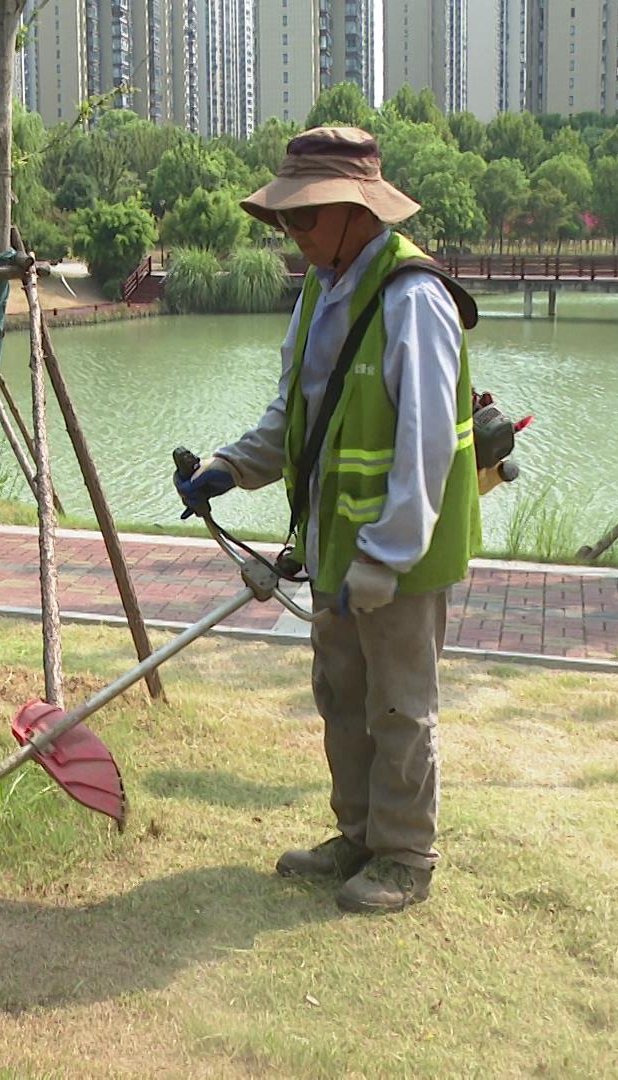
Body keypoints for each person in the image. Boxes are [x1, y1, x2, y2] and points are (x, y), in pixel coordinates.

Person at [176, 127, 481, 914]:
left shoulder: (416, 301)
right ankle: (358, 835)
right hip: (334, 548)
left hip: (398, 560)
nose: (291, 232)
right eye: (286, 218)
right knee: (341, 695)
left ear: (355, 210)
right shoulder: (319, 289)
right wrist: (231, 467)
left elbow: (425, 447)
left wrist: (386, 556)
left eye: (305, 217)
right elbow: (297, 413)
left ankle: (407, 854)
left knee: (400, 705)